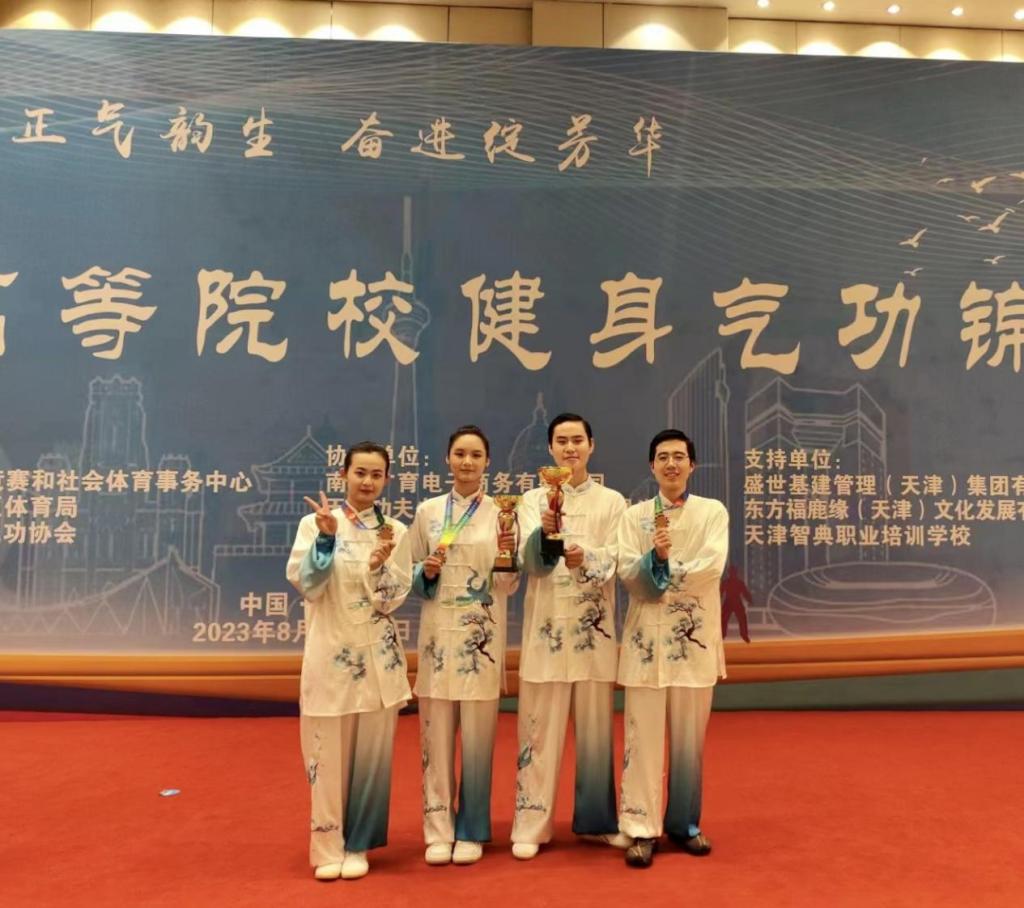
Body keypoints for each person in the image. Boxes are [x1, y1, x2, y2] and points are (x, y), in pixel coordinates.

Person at [287, 441, 412, 882]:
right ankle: (326, 844)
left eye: (377, 475)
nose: (368, 482)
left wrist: (378, 566)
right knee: (325, 752)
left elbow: (394, 599)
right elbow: (307, 584)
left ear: (387, 480)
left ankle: (359, 844)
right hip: (331, 655)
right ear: (344, 474)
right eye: (360, 472)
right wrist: (325, 539)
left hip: (378, 659)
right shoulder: (316, 523)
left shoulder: (395, 531)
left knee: (372, 757)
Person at [510, 413, 630, 860]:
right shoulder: (530, 500)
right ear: (550, 449)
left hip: (593, 633)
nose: (570, 448)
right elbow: (526, 561)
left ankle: (597, 822)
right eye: (561, 441)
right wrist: (544, 533)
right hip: (545, 631)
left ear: (591, 445)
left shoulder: (612, 502)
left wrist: (586, 558)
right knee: (536, 730)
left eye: (577, 440)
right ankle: (531, 822)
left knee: (596, 733)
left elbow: (617, 558)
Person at [615, 429, 728, 869]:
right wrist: (653, 563)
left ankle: (684, 824)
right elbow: (628, 572)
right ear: (652, 466)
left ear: (692, 465)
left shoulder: (712, 512)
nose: (671, 464)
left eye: (679, 456)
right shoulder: (634, 516)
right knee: (641, 739)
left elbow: (711, 566)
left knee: (688, 740)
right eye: (662, 457)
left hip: (692, 642)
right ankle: (641, 828)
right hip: (645, 642)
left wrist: (663, 568)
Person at [409, 425, 518, 866]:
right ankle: (437, 829)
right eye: (460, 453)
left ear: (487, 462)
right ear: (448, 459)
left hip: (481, 640)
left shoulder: (503, 514)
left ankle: (472, 829)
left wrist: (507, 558)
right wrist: (427, 571)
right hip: (437, 637)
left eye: (475, 454)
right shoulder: (428, 512)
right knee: (434, 739)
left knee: (477, 741)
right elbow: (410, 573)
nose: (467, 461)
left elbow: (509, 584)